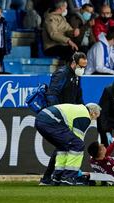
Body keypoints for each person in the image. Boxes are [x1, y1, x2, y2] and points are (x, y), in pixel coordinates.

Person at [39, 52, 88, 185]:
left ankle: (50, 177)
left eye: (84, 67)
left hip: (69, 116)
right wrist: (56, 114)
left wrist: (83, 111)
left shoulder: (76, 76)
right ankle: (50, 177)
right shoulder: (62, 73)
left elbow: (78, 96)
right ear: (74, 63)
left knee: (63, 146)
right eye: (81, 66)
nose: (82, 70)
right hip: (60, 116)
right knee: (64, 145)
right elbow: (52, 93)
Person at [35, 103, 101, 185]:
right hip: (51, 121)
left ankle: (56, 177)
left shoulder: (79, 109)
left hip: (41, 120)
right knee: (77, 145)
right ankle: (68, 177)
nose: (94, 120)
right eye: (96, 117)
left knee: (63, 146)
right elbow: (78, 139)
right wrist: (77, 172)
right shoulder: (85, 117)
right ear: (93, 113)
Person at [0, 6, 11, 73]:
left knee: (0, 65)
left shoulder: (4, 24)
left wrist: (8, 48)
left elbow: (8, 37)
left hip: (1, 48)